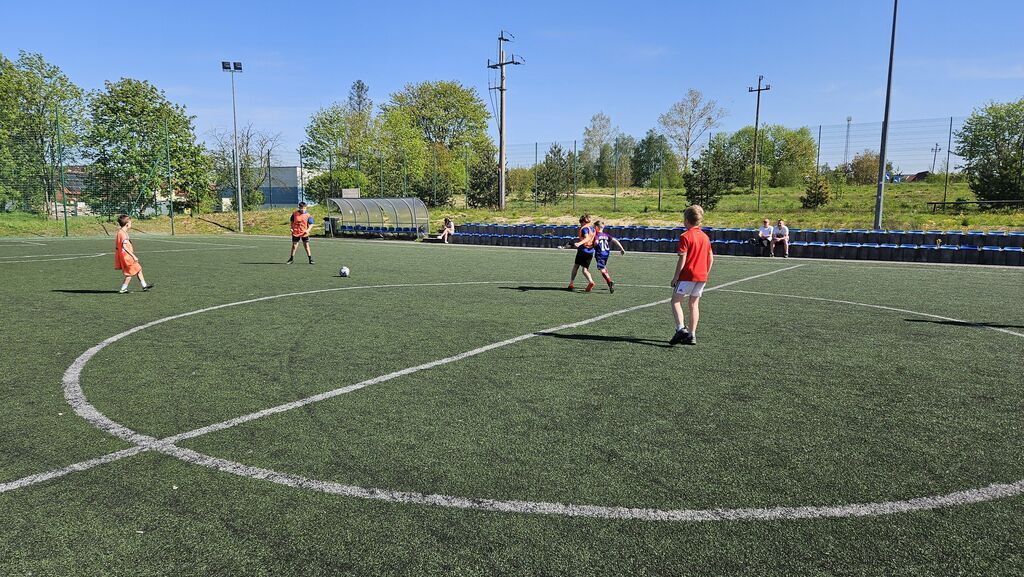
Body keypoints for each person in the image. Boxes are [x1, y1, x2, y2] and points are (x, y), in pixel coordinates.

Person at [669, 205, 713, 346]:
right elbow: (711, 257)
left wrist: (676, 276)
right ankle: (692, 335)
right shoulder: (705, 237)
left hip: (688, 274)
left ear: (687, 220)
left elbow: (682, 258)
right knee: (694, 304)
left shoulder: (685, 236)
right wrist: (706, 272)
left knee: (675, 301)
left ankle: (681, 328)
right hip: (702, 276)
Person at [114, 214, 153, 294]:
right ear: (127, 224)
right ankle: (123, 288)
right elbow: (124, 246)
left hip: (126, 257)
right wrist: (133, 256)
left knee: (138, 269)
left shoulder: (121, 232)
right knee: (129, 274)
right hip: (127, 257)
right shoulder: (123, 234)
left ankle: (144, 286)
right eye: (131, 223)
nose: (131, 225)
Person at [593, 221, 626, 293]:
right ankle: (609, 281)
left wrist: (593, 245)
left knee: (602, 269)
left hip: (600, 253)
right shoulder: (606, 235)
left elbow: (596, 242)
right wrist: (622, 249)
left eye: (593, 227)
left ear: (596, 227)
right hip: (606, 253)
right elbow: (615, 240)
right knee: (603, 267)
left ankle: (609, 281)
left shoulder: (597, 235)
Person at [566, 214, 596, 292]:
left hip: (583, 250)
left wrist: (579, 243)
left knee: (576, 266)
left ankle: (571, 283)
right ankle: (591, 281)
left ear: (582, 221)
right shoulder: (592, 228)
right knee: (585, 270)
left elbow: (587, 238)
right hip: (590, 251)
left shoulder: (584, 229)